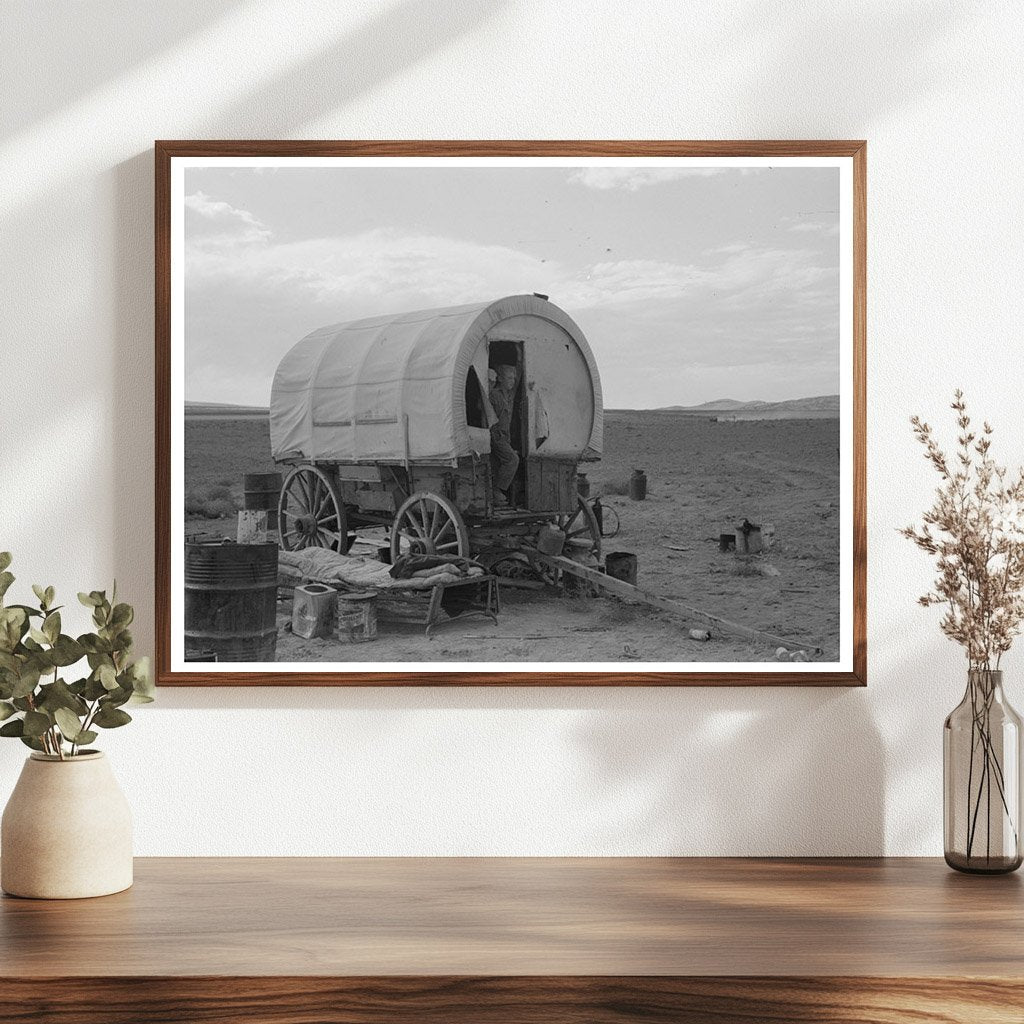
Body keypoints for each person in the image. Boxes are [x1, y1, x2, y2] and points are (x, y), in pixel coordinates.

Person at [488, 363, 519, 505]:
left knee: (498, 464)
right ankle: (495, 490)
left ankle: (496, 493)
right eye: (509, 378)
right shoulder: (494, 395)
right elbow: (486, 414)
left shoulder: (509, 396)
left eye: (513, 378)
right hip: (497, 435)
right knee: (512, 460)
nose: (512, 381)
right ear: (500, 379)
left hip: (505, 437)